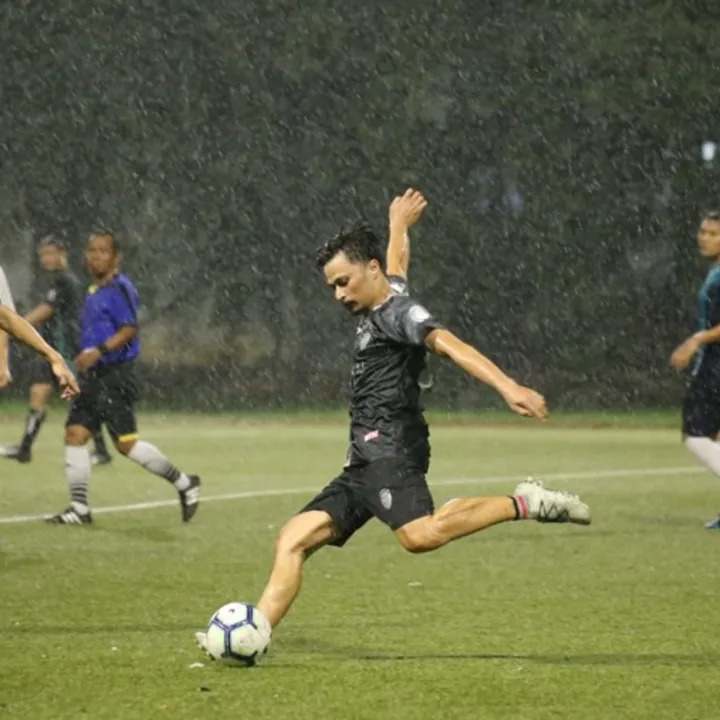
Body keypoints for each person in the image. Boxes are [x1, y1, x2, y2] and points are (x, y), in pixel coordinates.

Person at [195, 190, 590, 650]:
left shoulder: (399, 313)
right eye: (332, 287)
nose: (339, 294)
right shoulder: (386, 295)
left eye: (344, 282)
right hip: (363, 461)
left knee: (419, 536)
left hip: (393, 449)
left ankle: (525, 502)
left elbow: (449, 344)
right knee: (292, 538)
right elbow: (397, 264)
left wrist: (508, 386)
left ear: (370, 269)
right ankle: (253, 635)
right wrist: (398, 225)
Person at [45, 231, 201, 525]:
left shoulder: (119, 287)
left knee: (126, 444)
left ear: (116, 258)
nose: (95, 256)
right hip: (94, 378)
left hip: (115, 376)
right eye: (91, 250)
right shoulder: (93, 290)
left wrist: (99, 351)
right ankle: (79, 509)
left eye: (103, 251)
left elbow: (130, 328)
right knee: (75, 434)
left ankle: (185, 483)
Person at [0, 235, 112, 465]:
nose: (45, 259)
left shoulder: (66, 281)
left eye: (50, 253)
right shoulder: (55, 281)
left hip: (67, 348)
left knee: (80, 398)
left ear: (63, 254)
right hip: (51, 347)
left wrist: (17, 326)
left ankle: (101, 449)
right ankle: (25, 449)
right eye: (42, 254)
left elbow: (45, 310)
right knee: (38, 393)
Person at [670, 211, 720, 529]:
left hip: (716, 367)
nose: (704, 238)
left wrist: (697, 339)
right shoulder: (715, 272)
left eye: (713, 233)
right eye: (703, 231)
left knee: (695, 435)